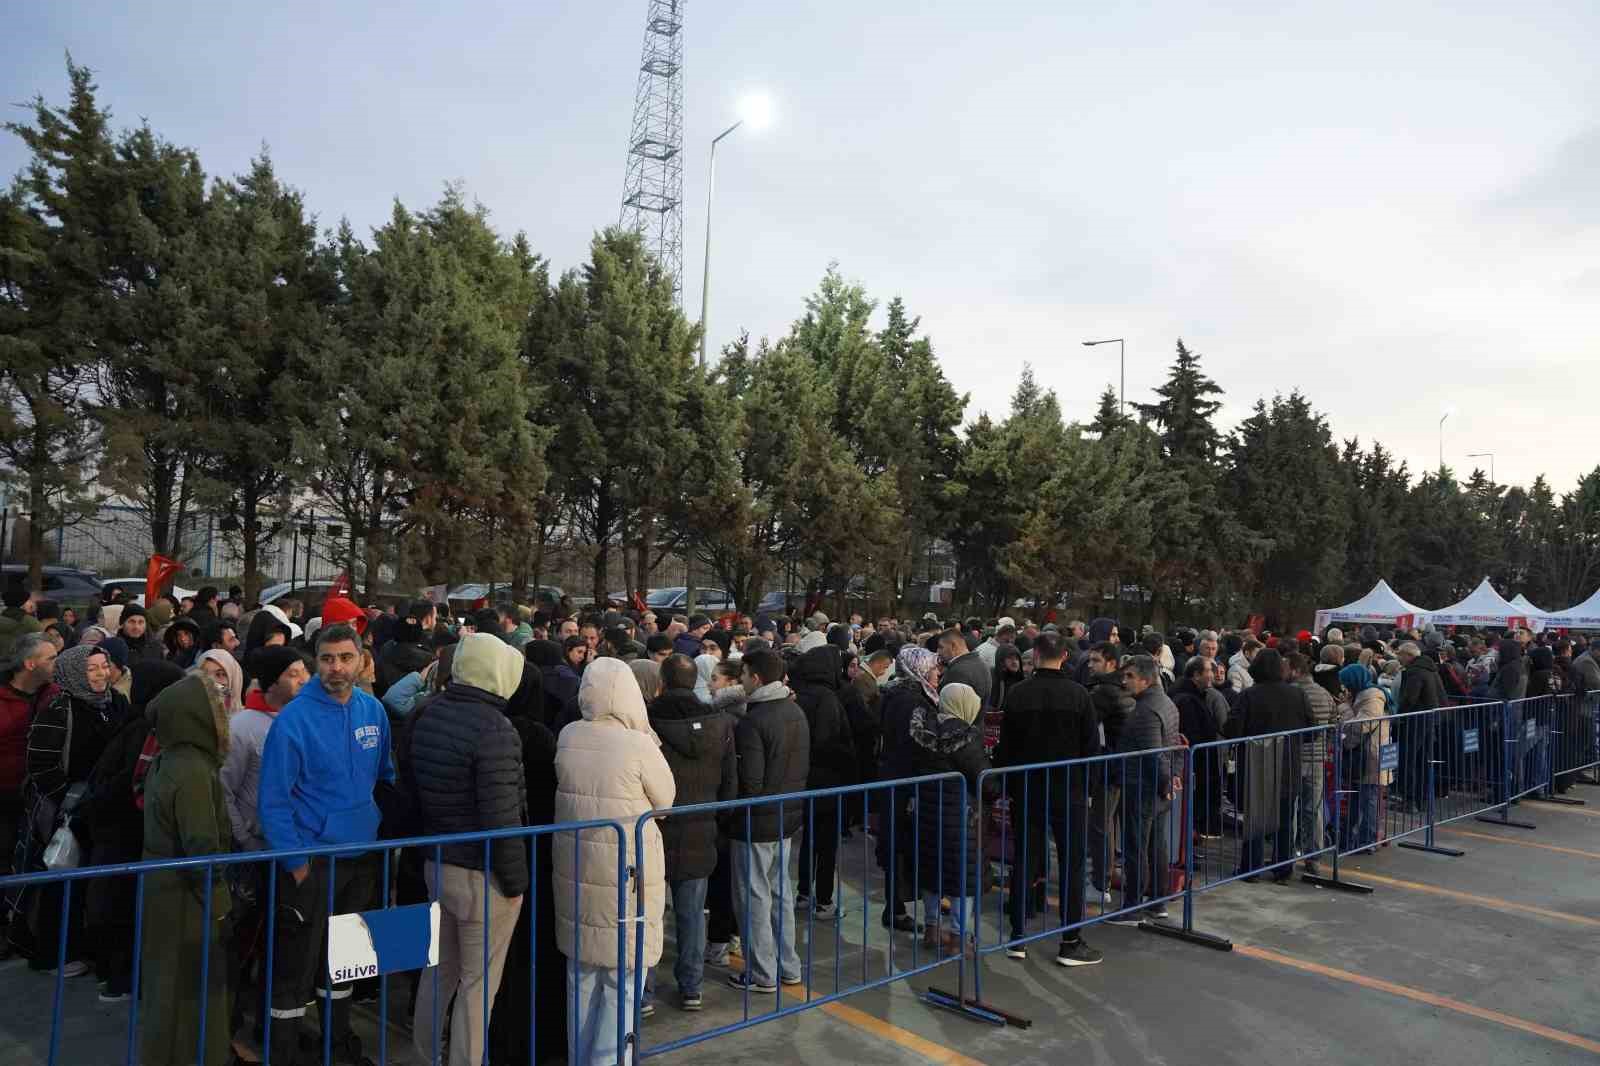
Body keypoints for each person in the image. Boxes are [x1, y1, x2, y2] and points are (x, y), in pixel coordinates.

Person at [257, 624, 392, 1066]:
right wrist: (296, 862)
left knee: (347, 964)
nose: (336, 667)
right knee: (296, 966)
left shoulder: (374, 712)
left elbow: (385, 777)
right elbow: (273, 800)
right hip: (312, 862)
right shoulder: (294, 720)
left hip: (361, 859)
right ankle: (284, 1052)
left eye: (345, 658)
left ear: (360, 660)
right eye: (327, 658)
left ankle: (337, 1043)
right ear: (317, 662)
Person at [406, 633, 528, 1066]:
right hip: (483, 875)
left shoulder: (427, 712)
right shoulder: (495, 729)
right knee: (478, 984)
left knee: (437, 973)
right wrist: (515, 882)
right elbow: (502, 815)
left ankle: (423, 1055)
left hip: (437, 862)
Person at [553, 657, 674, 1065]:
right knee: (622, 983)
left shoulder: (568, 735)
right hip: (627, 877)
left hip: (578, 871)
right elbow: (666, 800)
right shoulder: (637, 743)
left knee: (582, 978)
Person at [139, 673, 233, 1066]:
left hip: (163, 885)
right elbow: (201, 843)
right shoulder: (193, 768)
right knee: (191, 985)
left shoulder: (169, 758)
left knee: (167, 984)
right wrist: (220, 898)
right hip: (185, 895)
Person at [992, 631, 1102, 964]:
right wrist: (1089, 790)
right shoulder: (1080, 696)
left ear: (1035, 656)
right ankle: (1070, 939)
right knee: (1072, 864)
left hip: (1027, 789)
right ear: (1065, 657)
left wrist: (1007, 786)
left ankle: (1017, 936)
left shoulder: (1017, 695)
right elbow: (1091, 749)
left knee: (1025, 858)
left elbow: (1005, 747)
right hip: (1068, 792)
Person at [17, 644, 128, 973]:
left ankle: (86, 946)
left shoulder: (115, 703)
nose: (99, 674)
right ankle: (54, 953)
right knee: (62, 881)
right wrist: (69, 800)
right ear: (74, 672)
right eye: (91, 668)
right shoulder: (58, 707)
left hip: (102, 807)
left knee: (92, 884)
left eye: (103, 666)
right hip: (68, 810)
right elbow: (40, 763)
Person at [647, 654, 736, 1010]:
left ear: (663, 683)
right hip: (702, 827)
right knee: (692, 913)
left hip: (655, 828)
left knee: (650, 915)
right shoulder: (720, 723)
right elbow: (730, 781)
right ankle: (691, 987)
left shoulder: (647, 722)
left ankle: (645, 992)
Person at [726, 649, 809, 994]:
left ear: (756, 677)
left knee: (754, 896)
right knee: (780, 893)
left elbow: (752, 782)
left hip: (756, 821)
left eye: (743, 674)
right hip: (787, 817)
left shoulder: (754, 721)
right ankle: (787, 965)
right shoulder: (795, 711)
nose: (740, 680)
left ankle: (762, 972)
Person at [910, 682, 990, 954]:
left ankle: (931, 930)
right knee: (962, 879)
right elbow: (985, 779)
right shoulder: (965, 737)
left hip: (927, 812)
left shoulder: (923, 731)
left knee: (932, 872)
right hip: (960, 816)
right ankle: (958, 938)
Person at [1225, 649, 1312, 883]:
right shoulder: (1298, 695)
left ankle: (1251, 868)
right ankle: (1283, 869)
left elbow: (1232, 729)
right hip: (1288, 764)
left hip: (1257, 764)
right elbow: (1311, 731)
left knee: (1255, 819)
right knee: (1284, 820)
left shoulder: (1249, 696)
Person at [788, 645, 857, 918]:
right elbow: (828, 741)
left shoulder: (799, 694)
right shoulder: (826, 697)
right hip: (827, 780)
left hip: (805, 779)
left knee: (809, 841)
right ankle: (824, 901)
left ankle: (804, 892)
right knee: (827, 844)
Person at [1110, 654, 1179, 921]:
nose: (1124, 681)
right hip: (1155, 786)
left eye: (1130, 677)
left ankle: (1132, 904)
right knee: (1155, 845)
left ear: (1146, 680)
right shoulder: (1165, 703)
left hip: (1143, 786)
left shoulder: (1146, 711)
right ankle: (1157, 900)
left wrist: (1165, 781)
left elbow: (1154, 753)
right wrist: (1171, 778)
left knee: (1136, 846)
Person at [1, 635, 57, 884]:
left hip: (39, 799)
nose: (58, 663)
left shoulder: (55, 696)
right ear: (30, 664)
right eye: (52, 658)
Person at [1287, 651, 1338, 873]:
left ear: (1295, 670)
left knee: (1291, 807)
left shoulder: (1292, 693)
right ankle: (1314, 856)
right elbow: (1335, 721)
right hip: (1317, 758)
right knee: (1314, 808)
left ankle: (1287, 855)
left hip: (1295, 757)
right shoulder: (1324, 693)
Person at [1171, 655, 1224, 838]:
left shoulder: (1194, 696)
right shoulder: (1187, 700)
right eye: (1209, 670)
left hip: (1199, 762)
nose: (1213, 674)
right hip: (1195, 765)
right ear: (1196, 675)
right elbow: (1190, 735)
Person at [1338, 663, 1389, 851]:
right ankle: (1352, 837)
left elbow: (1362, 725)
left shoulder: (1373, 697)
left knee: (1369, 799)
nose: (1344, 687)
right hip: (1363, 752)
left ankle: (1367, 840)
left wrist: (1344, 708)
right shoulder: (1361, 695)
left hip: (1370, 754)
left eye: (1346, 683)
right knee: (1357, 798)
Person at [375, 600, 436, 700]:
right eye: (435, 618)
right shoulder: (430, 651)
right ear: (428, 619)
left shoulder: (387, 647)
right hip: (411, 707)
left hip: (384, 702)